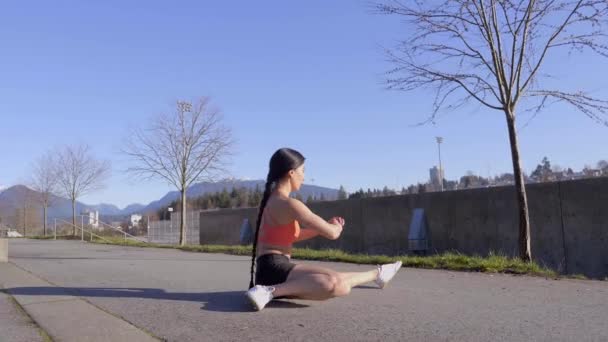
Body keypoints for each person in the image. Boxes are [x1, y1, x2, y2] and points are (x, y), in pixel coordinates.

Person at [245, 148, 402, 311]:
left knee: (335, 280)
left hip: (267, 270)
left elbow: (294, 236)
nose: (304, 177)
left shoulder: (270, 202)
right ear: (291, 172)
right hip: (275, 268)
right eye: (303, 171)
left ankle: (379, 273)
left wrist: (321, 228)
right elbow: (333, 233)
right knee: (335, 283)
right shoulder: (290, 204)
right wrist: (335, 225)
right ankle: (269, 291)